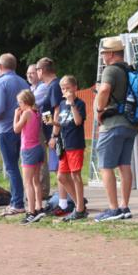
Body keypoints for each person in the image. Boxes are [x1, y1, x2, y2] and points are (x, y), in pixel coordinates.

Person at [92, 37, 138, 221]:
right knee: (124, 165)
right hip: (130, 124)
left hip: (112, 124)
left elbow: (104, 90)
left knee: (105, 166)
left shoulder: (110, 70)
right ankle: (124, 206)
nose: (103, 56)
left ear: (111, 54)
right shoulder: (129, 69)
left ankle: (113, 209)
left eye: (104, 53)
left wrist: (99, 109)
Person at [0, 53, 30, 216]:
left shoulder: (0, 82)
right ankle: (24, 200)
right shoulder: (23, 81)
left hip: (5, 129)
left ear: (0, 66)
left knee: (11, 167)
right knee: (21, 166)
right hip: (22, 128)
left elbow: (0, 108)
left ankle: (17, 202)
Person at [51, 75, 88, 221]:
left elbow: (78, 122)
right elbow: (62, 123)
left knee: (75, 175)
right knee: (61, 176)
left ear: (75, 88)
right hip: (64, 144)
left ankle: (79, 208)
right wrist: (52, 125)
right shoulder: (61, 104)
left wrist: (72, 103)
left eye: (67, 88)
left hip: (75, 143)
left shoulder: (79, 103)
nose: (65, 91)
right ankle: (79, 204)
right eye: (63, 88)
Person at [34, 57, 63, 210]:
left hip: (56, 134)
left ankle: (63, 201)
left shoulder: (54, 86)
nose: (36, 72)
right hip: (49, 133)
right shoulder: (49, 86)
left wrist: (54, 135)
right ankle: (62, 198)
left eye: (37, 69)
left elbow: (57, 110)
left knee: (60, 169)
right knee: (57, 169)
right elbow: (47, 110)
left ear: (42, 70)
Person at [14, 89, 46, 223]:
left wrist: (16, 115)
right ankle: (39, 207)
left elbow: (16, 129)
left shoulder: (26, 113)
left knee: (27, 182)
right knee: (36, 181)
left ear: (25, 102)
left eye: (19, 102)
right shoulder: (36, 112)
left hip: (28, 149)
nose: (18, 105)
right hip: (38, 147)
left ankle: (31, 212)